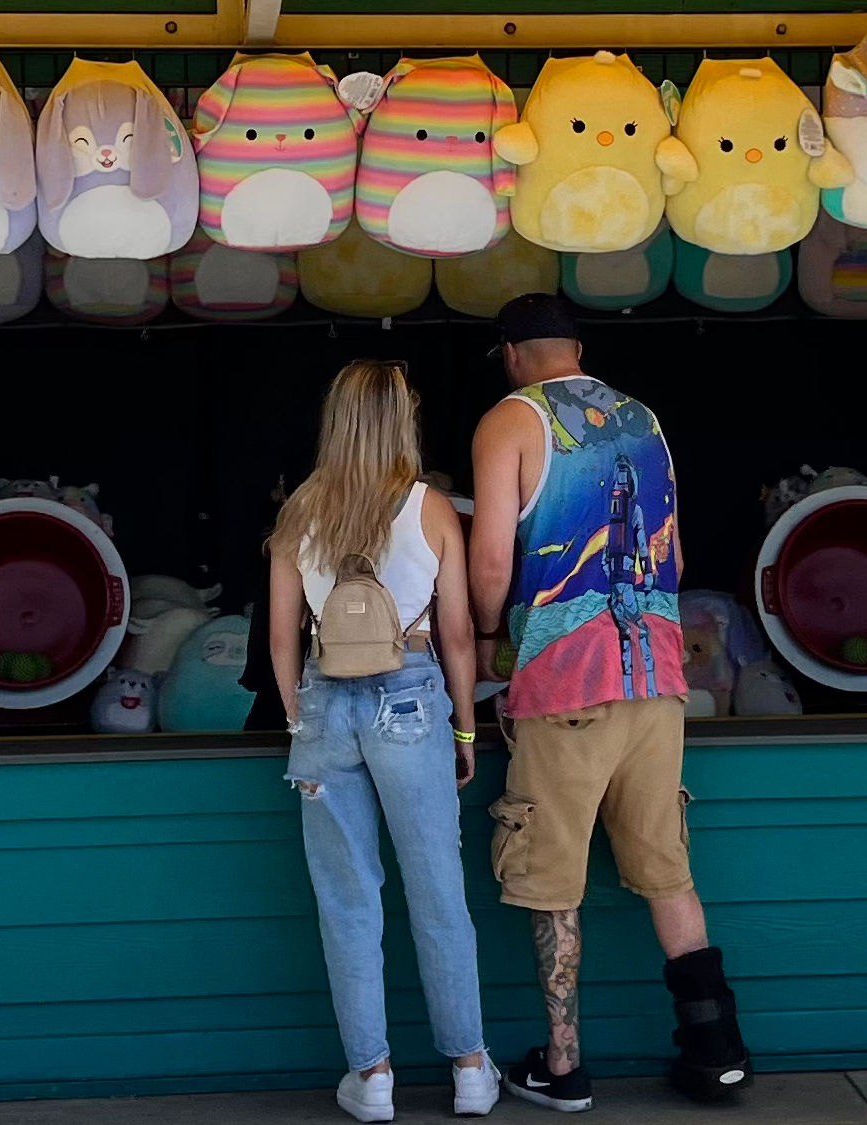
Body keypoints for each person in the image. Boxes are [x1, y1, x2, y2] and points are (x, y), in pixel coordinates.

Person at [468, 295, 751, 1112]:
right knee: (667, 868)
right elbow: (678, 552)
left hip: (563, 682)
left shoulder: (510, 421)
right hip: (657, 678)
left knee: (552, 877)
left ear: (511, 352)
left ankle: (563, 1067)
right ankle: (717, 1049)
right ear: (579, 349)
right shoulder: (645, 419)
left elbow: (491, 563)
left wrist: (493, 636)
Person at [267, 360, 499, 1122]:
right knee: (438, 893)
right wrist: (464, 726)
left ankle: (372, 1079)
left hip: (325, 709)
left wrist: (302, 724)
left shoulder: (300, 509)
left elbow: (280, 642)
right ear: (402, 420)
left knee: (347, 902)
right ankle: (468, 1069)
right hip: (414, 700)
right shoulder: (431, 507)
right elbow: (459, 633)